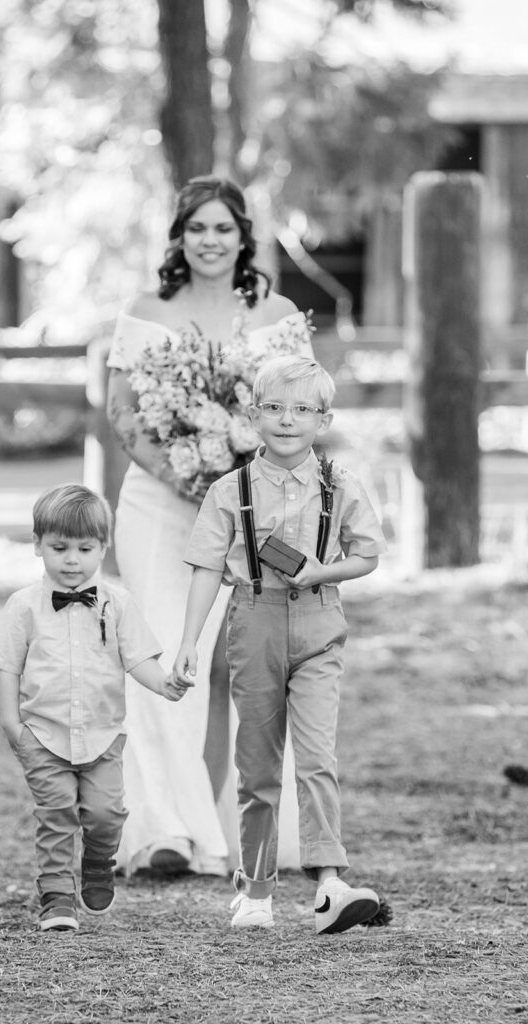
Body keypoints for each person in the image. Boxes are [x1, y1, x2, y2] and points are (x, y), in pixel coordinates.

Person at [106, 175, 312, 877]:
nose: (210, 241)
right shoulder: (146, 309)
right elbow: (124, 415)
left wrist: (238, 482)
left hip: (251, 507)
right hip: (158, 505)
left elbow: (300, 411)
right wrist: (189, 477)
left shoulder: (277, 313)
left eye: (223, 229)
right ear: (179, 236)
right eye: (197, 228)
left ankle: (236, 828)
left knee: (243, 667)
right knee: (160, 655)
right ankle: (167, 831)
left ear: (243, 235)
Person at [174, 355, 387, 933]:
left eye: (302, 409)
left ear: (324, 418)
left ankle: (329, 881)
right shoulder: (230, 490)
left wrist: (322, 572)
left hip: (320, 626)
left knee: (317, 756)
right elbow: (203, 568)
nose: (287, 420)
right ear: (253, 416)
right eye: (274, 408)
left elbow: (368, 554)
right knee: (259, 762)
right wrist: (190, 641)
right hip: (254, 622)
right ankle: (256, 889)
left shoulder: (341, 486)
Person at [0, 484, 188, 932]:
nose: (72, 560)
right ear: (37, 545)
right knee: (55, 817)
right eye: (59, 548)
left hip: (103, 736)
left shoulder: (118, 603)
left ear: (102, 547)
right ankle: (56, 898)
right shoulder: (23, 607)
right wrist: (12, 725)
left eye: (84, 548)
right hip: (44, 736)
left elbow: (138, 660)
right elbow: (7, 667)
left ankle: (97, 861)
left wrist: (164, 684)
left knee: (105, 813)